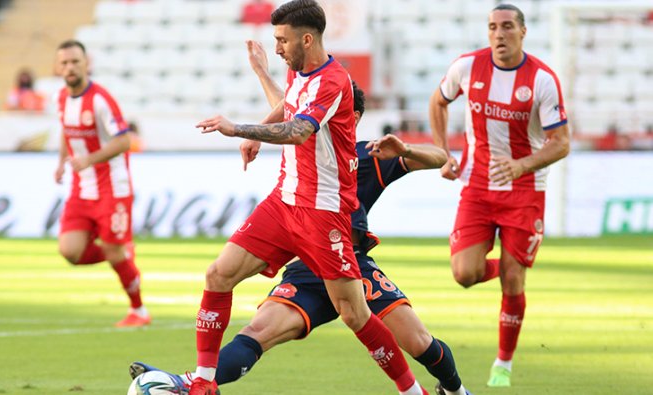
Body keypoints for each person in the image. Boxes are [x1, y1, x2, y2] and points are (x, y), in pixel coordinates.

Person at [130, 39, 472, 395]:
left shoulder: (369, 154)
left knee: (417, 340)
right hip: (306, 265)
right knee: (257, 332)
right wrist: (261, 73)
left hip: (348, 261)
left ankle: (454, 390)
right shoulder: (305, 132)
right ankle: (191, 384)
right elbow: (289, 107)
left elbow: (440, 158)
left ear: (350, 117)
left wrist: (407, 149)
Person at [186, 1, 426, 394]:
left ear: (307, 39)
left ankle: (411, 391)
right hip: (284, 202)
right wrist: (256, 133)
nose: (278, 46)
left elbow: (298, 130)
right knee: (218, 274)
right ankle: (203, 382)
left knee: (354, 314)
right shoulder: (298, 69)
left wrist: (236, 129)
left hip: (323, 212)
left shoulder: (334, 81)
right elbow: (288, 104)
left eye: (282, 40)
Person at [429, 4, 570, 388]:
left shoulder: (542, 79)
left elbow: (561, 144)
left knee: (512, 280)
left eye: (507, 27)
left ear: (522, 32)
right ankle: (512, 264)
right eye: (493, 27)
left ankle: (502, 365)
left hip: (525, 190)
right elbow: (438, 101)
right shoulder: (467, 67)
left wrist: (523, 165)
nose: (499, 34)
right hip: (477, 187)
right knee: (465, 273)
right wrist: (444, 152)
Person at [53, 39, 150, 328]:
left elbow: (124, 140)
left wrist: (91, 159)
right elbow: (66, 132)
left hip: (113, 188)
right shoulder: (61, 98)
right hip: (81, 189)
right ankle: (121, 254)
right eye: (65, 63)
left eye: (75, 62)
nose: (70, 67)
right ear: (59, 67)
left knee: (112, 251)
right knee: (70, 251)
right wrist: (61, 162)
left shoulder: (100, 100)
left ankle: (139, 311)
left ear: (86, 63)